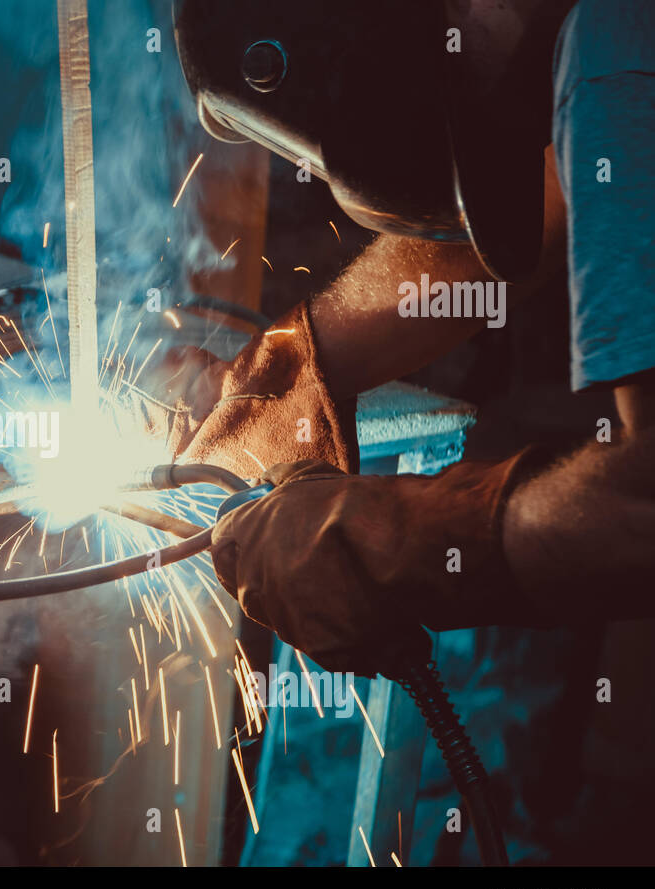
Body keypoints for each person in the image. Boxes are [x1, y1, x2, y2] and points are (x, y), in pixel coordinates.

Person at [147, 0, 655, 679]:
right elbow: (561, 182)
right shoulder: (589, 49)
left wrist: (396, 544)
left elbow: (642, 507)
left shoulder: (616, 48)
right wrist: (294, 365)